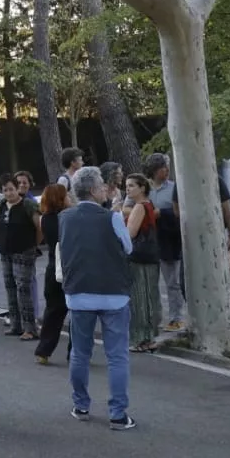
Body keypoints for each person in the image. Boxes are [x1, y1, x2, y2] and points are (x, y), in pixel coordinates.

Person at [60, 166, 136, 430]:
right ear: (93, 190)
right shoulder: (112, 218)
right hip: (113, 292)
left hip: (79, 293)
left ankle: (81, 405)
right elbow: (128, 247)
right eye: (102, 184)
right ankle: (117, 412)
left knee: (80, 353)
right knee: (117, 355)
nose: (106, 187)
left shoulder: (65, 217)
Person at [0, 174, 40, 340]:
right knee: (10, 286)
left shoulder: (28, 205)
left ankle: (30, 327)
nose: (8, 193)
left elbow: (39, 226)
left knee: (23, 288)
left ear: (17, 189)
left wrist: (33, 245)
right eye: (5, 190)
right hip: (6, 251)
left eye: (11, 189)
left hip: (24, 250)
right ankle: (15, 324)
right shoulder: (2, 205)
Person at [122, 173, 162, 353]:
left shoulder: (139, 207)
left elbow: (130, 234)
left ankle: (140, 339)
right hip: (151, 256)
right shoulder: (149, 205)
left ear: (142, 188)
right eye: (127, 185)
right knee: (149, 296)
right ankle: (149, 337)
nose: (127, 189)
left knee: (138, 298)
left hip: (138, 257)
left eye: (131, 186)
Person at [146, 153, 185, 331]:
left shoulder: (175, 188)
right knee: (151, 282)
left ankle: (176, 317)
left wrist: (162, 212)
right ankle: (154, 318)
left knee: (173, 282)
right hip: (151, 240)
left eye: (168, 167)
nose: (167, 171)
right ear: (154, 171)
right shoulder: (146, 189)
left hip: (171, 240)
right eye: (163, 168)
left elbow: (181, 213)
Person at [33, 182, 70, 365]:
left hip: (52, 267)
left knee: (53, 311)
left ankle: (44, 350)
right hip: (69, 267)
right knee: (77, 312)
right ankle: (75, 352)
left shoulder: (45, 219)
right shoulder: (67, 218)